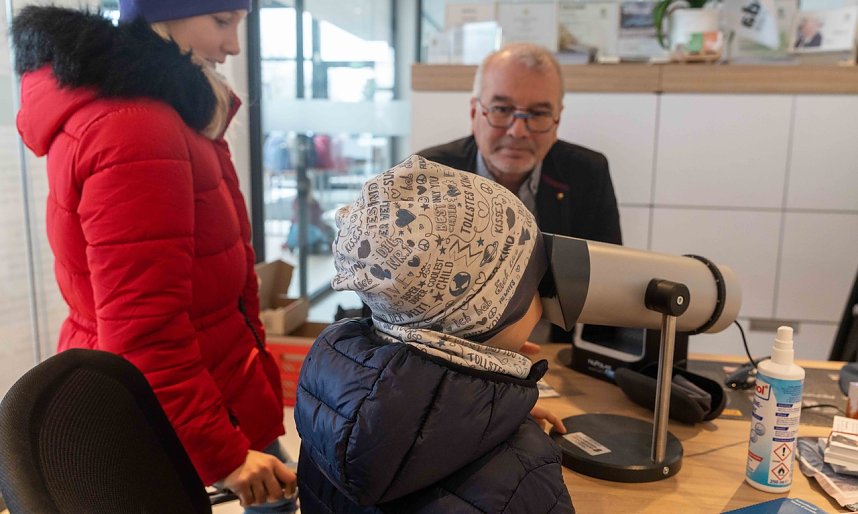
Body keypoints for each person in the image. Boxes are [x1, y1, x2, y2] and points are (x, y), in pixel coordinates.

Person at [12, 2, 297, 510]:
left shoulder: (158, 109)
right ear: (163, 16)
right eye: (221, 22)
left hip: (207, 389)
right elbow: (144, 326)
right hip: (181, 411)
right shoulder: (135, 128)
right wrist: (225, 456)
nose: (232, 47)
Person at [294, 155, 575, 513]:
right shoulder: (524, 477)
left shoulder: (333, 407)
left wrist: (483, 419)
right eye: (535, 280)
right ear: (490, 315)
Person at [417, 42, 622, 343]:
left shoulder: (587, 174)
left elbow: (608, 290)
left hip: (549, 354)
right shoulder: (430, 174)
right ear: (475, 112)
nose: (517, 131)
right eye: (502, 109)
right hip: (446, 352)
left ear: (557, 121)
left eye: (538, 113)